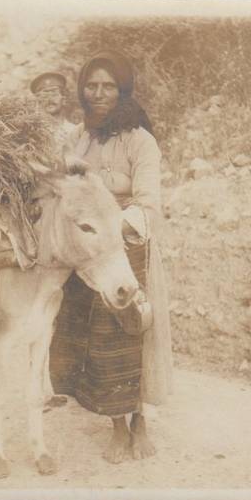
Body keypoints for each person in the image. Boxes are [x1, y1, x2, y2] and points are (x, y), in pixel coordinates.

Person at [49, 51, 174, 464]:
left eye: (108, 86)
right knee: (98, 343)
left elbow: (149, 205)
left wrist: (109, 225)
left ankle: (140, 424)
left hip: (128, 246)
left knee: (130, 335)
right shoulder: (80, 138)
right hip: (89, 251)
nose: (98, 94)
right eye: (91, 86)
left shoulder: (140, 141)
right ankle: (116, 427)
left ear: (123, 89)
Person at [30, 71, 77, 148]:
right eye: (44, 96)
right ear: (38, 102)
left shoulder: (75, 131)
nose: (49, 99)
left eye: (54, 94)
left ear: (64, 99)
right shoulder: (33, 134)